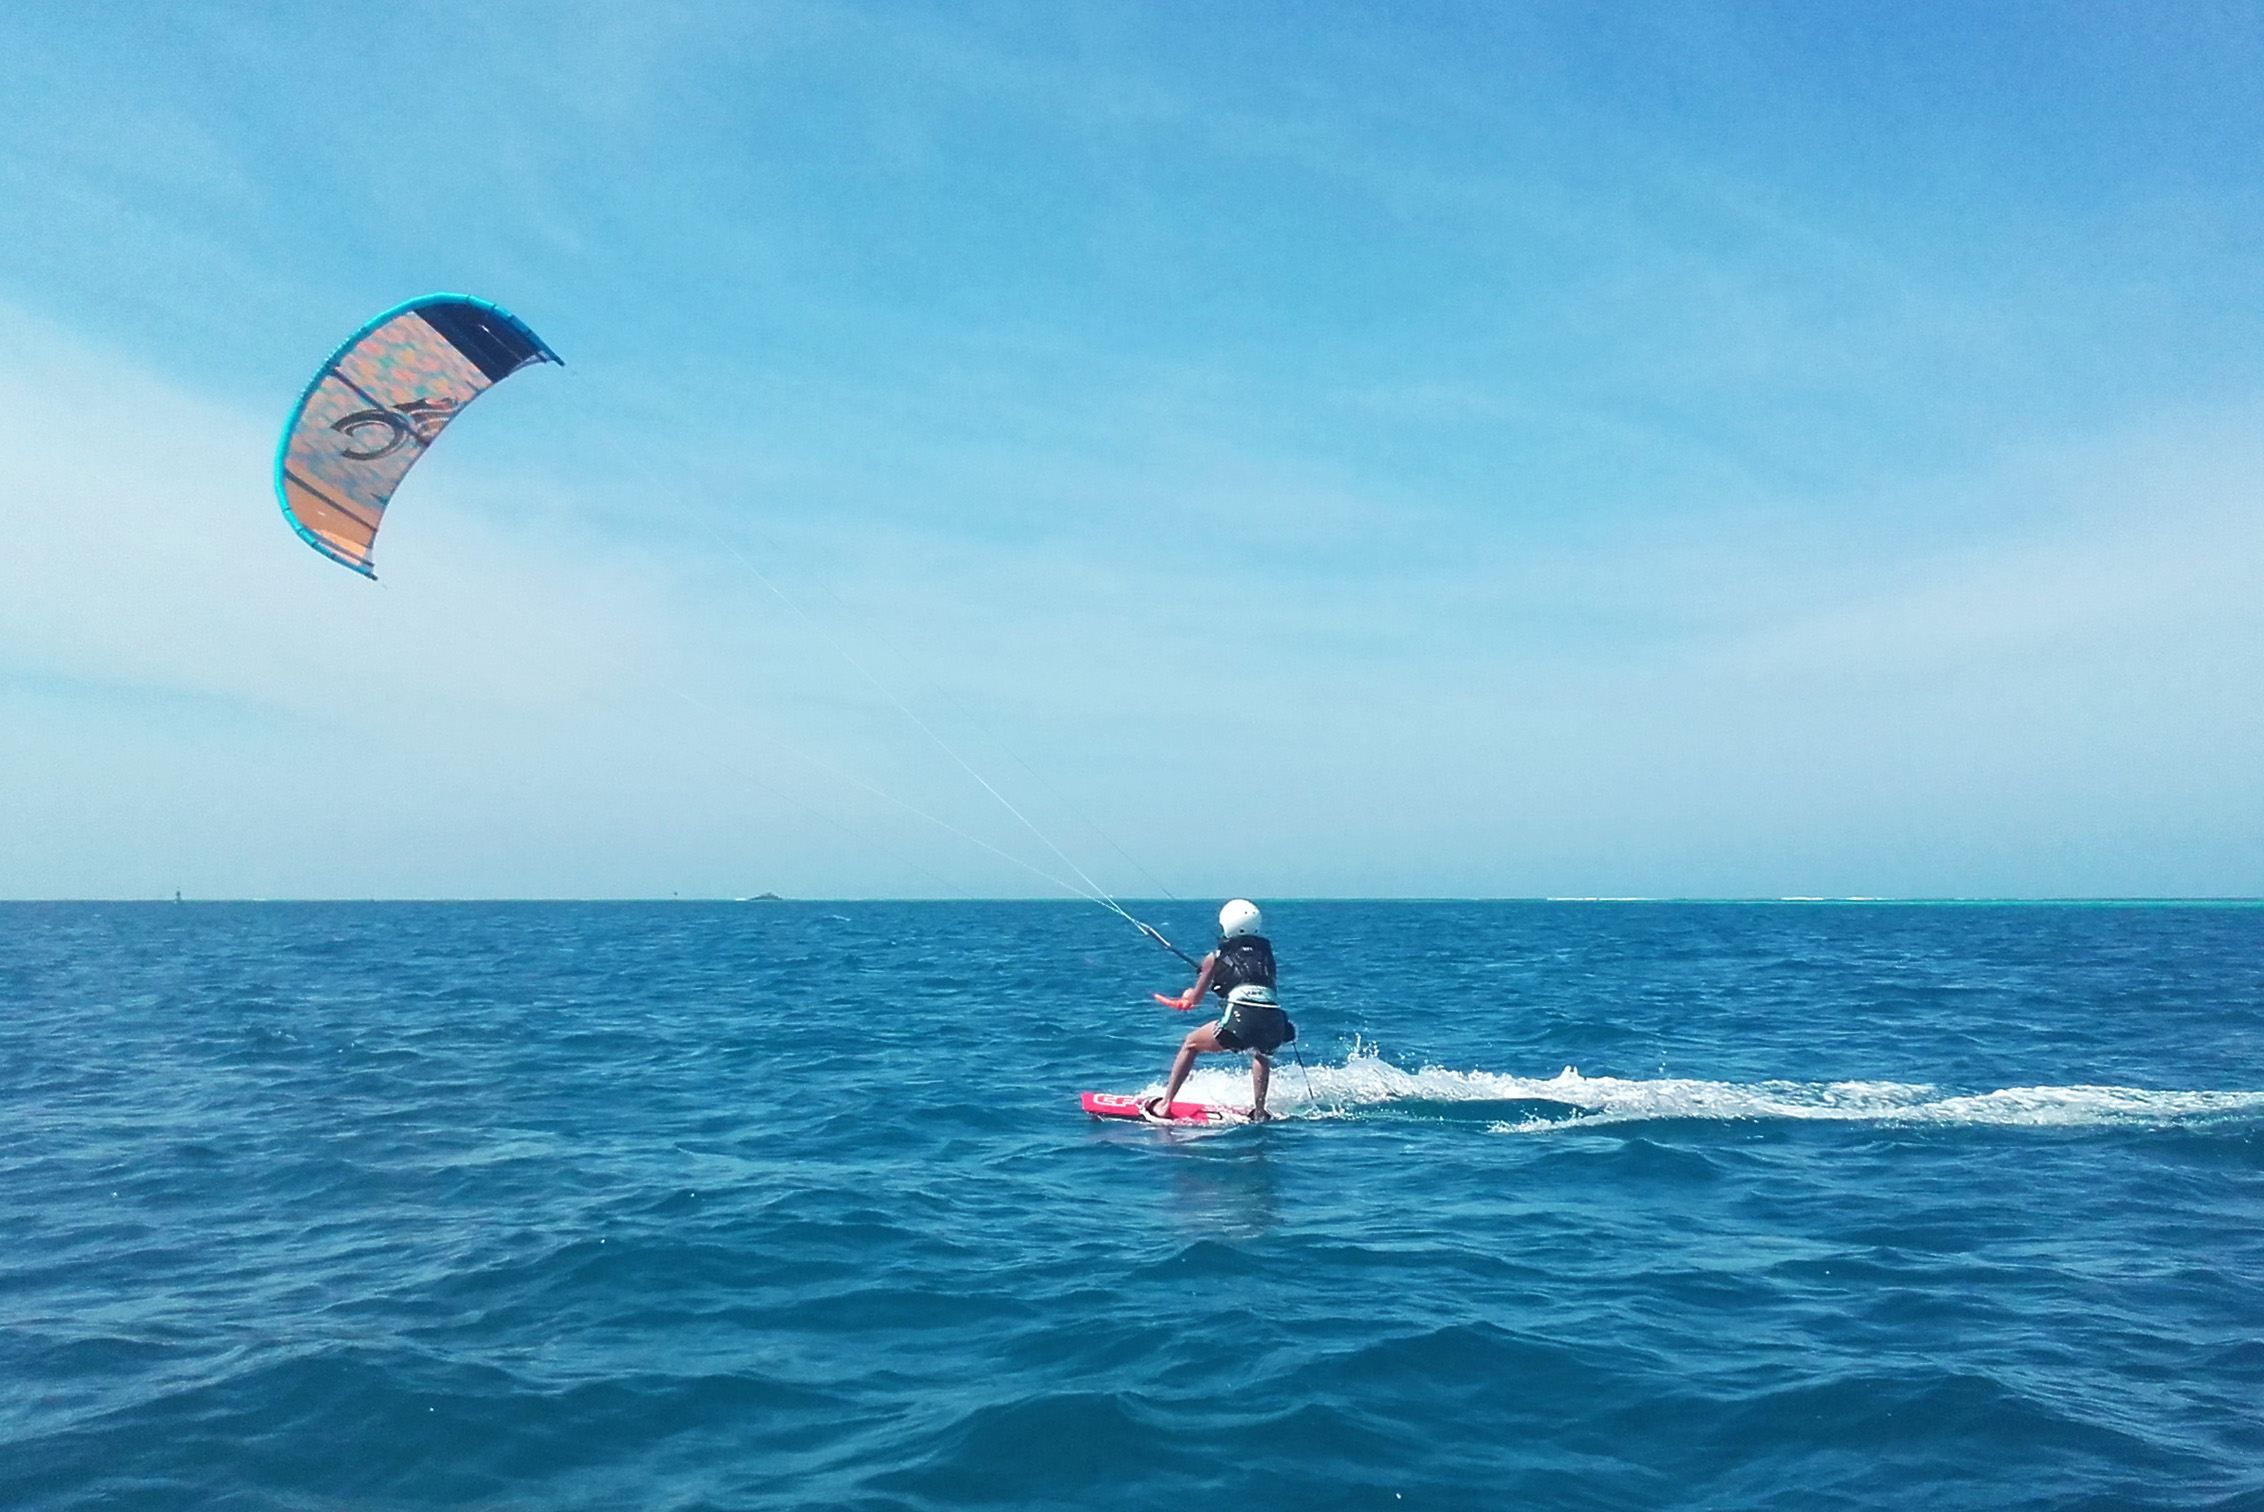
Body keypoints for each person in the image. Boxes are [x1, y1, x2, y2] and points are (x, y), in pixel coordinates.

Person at [1144, 899, 1295, 1122]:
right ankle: (1260, 1111)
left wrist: (1187, 996)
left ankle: (1165, 1106)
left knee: (1190, 1044)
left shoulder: (1214, 958)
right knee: (1261, 1052)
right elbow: (1255, 986)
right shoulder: (1266, 957)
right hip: (1275, 1022)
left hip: (1240, 1020)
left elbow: (1194, 999)